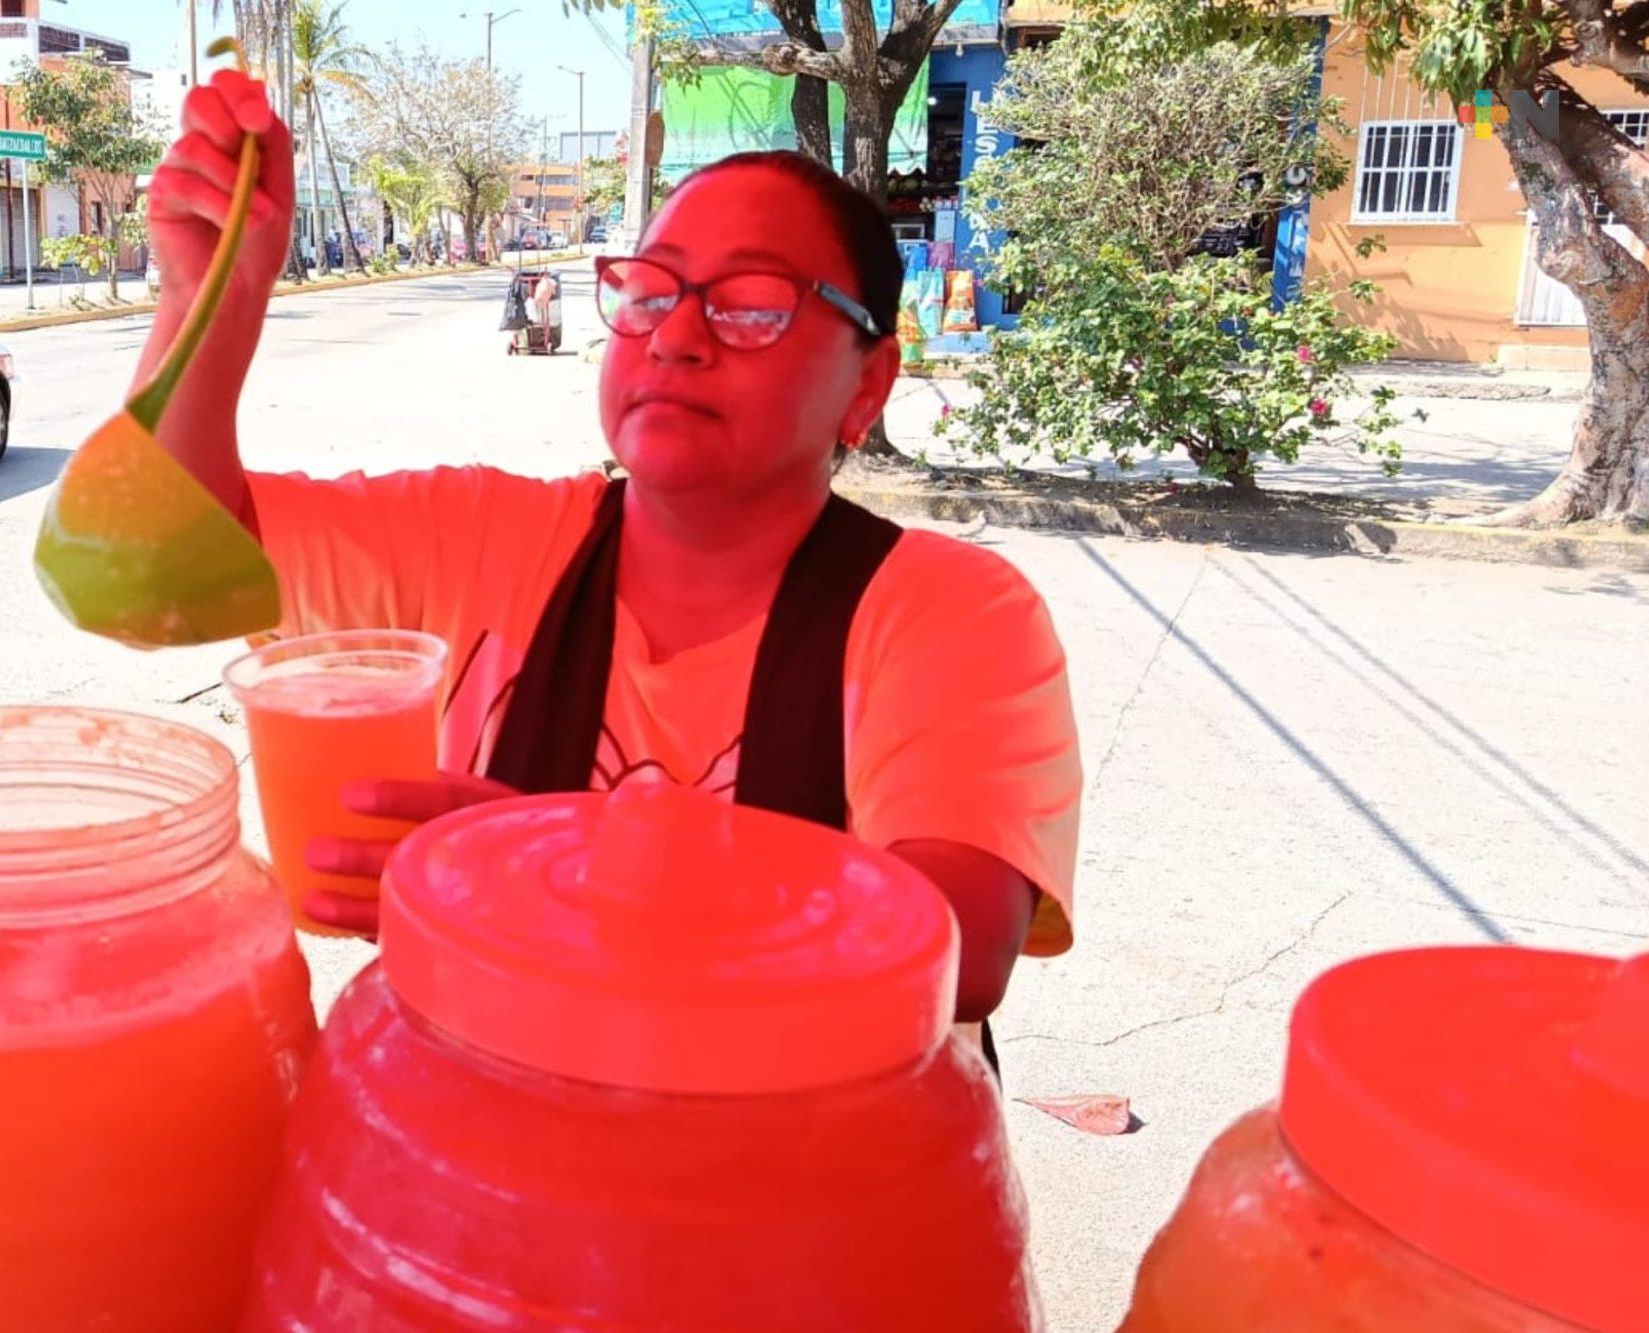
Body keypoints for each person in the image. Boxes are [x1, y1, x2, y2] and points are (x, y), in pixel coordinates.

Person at [135, 72, 1082, 1052]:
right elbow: (166, 562)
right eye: (647, 292)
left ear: (867, 384)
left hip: (801, 1189)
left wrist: (556, 864)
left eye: (750, 303)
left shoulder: (947, 611)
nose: (674, 336)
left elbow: (955, 947)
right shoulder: (485, 540)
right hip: (481, 1170)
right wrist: (208, 298)